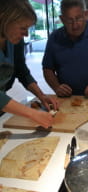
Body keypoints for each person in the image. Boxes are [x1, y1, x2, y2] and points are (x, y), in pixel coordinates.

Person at [0, 0, 59, 128]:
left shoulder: (14, 40)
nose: (26, 34)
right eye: (23, 28)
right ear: (4, 19)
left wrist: (41, 95)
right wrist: (32, 114)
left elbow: (22, 72)